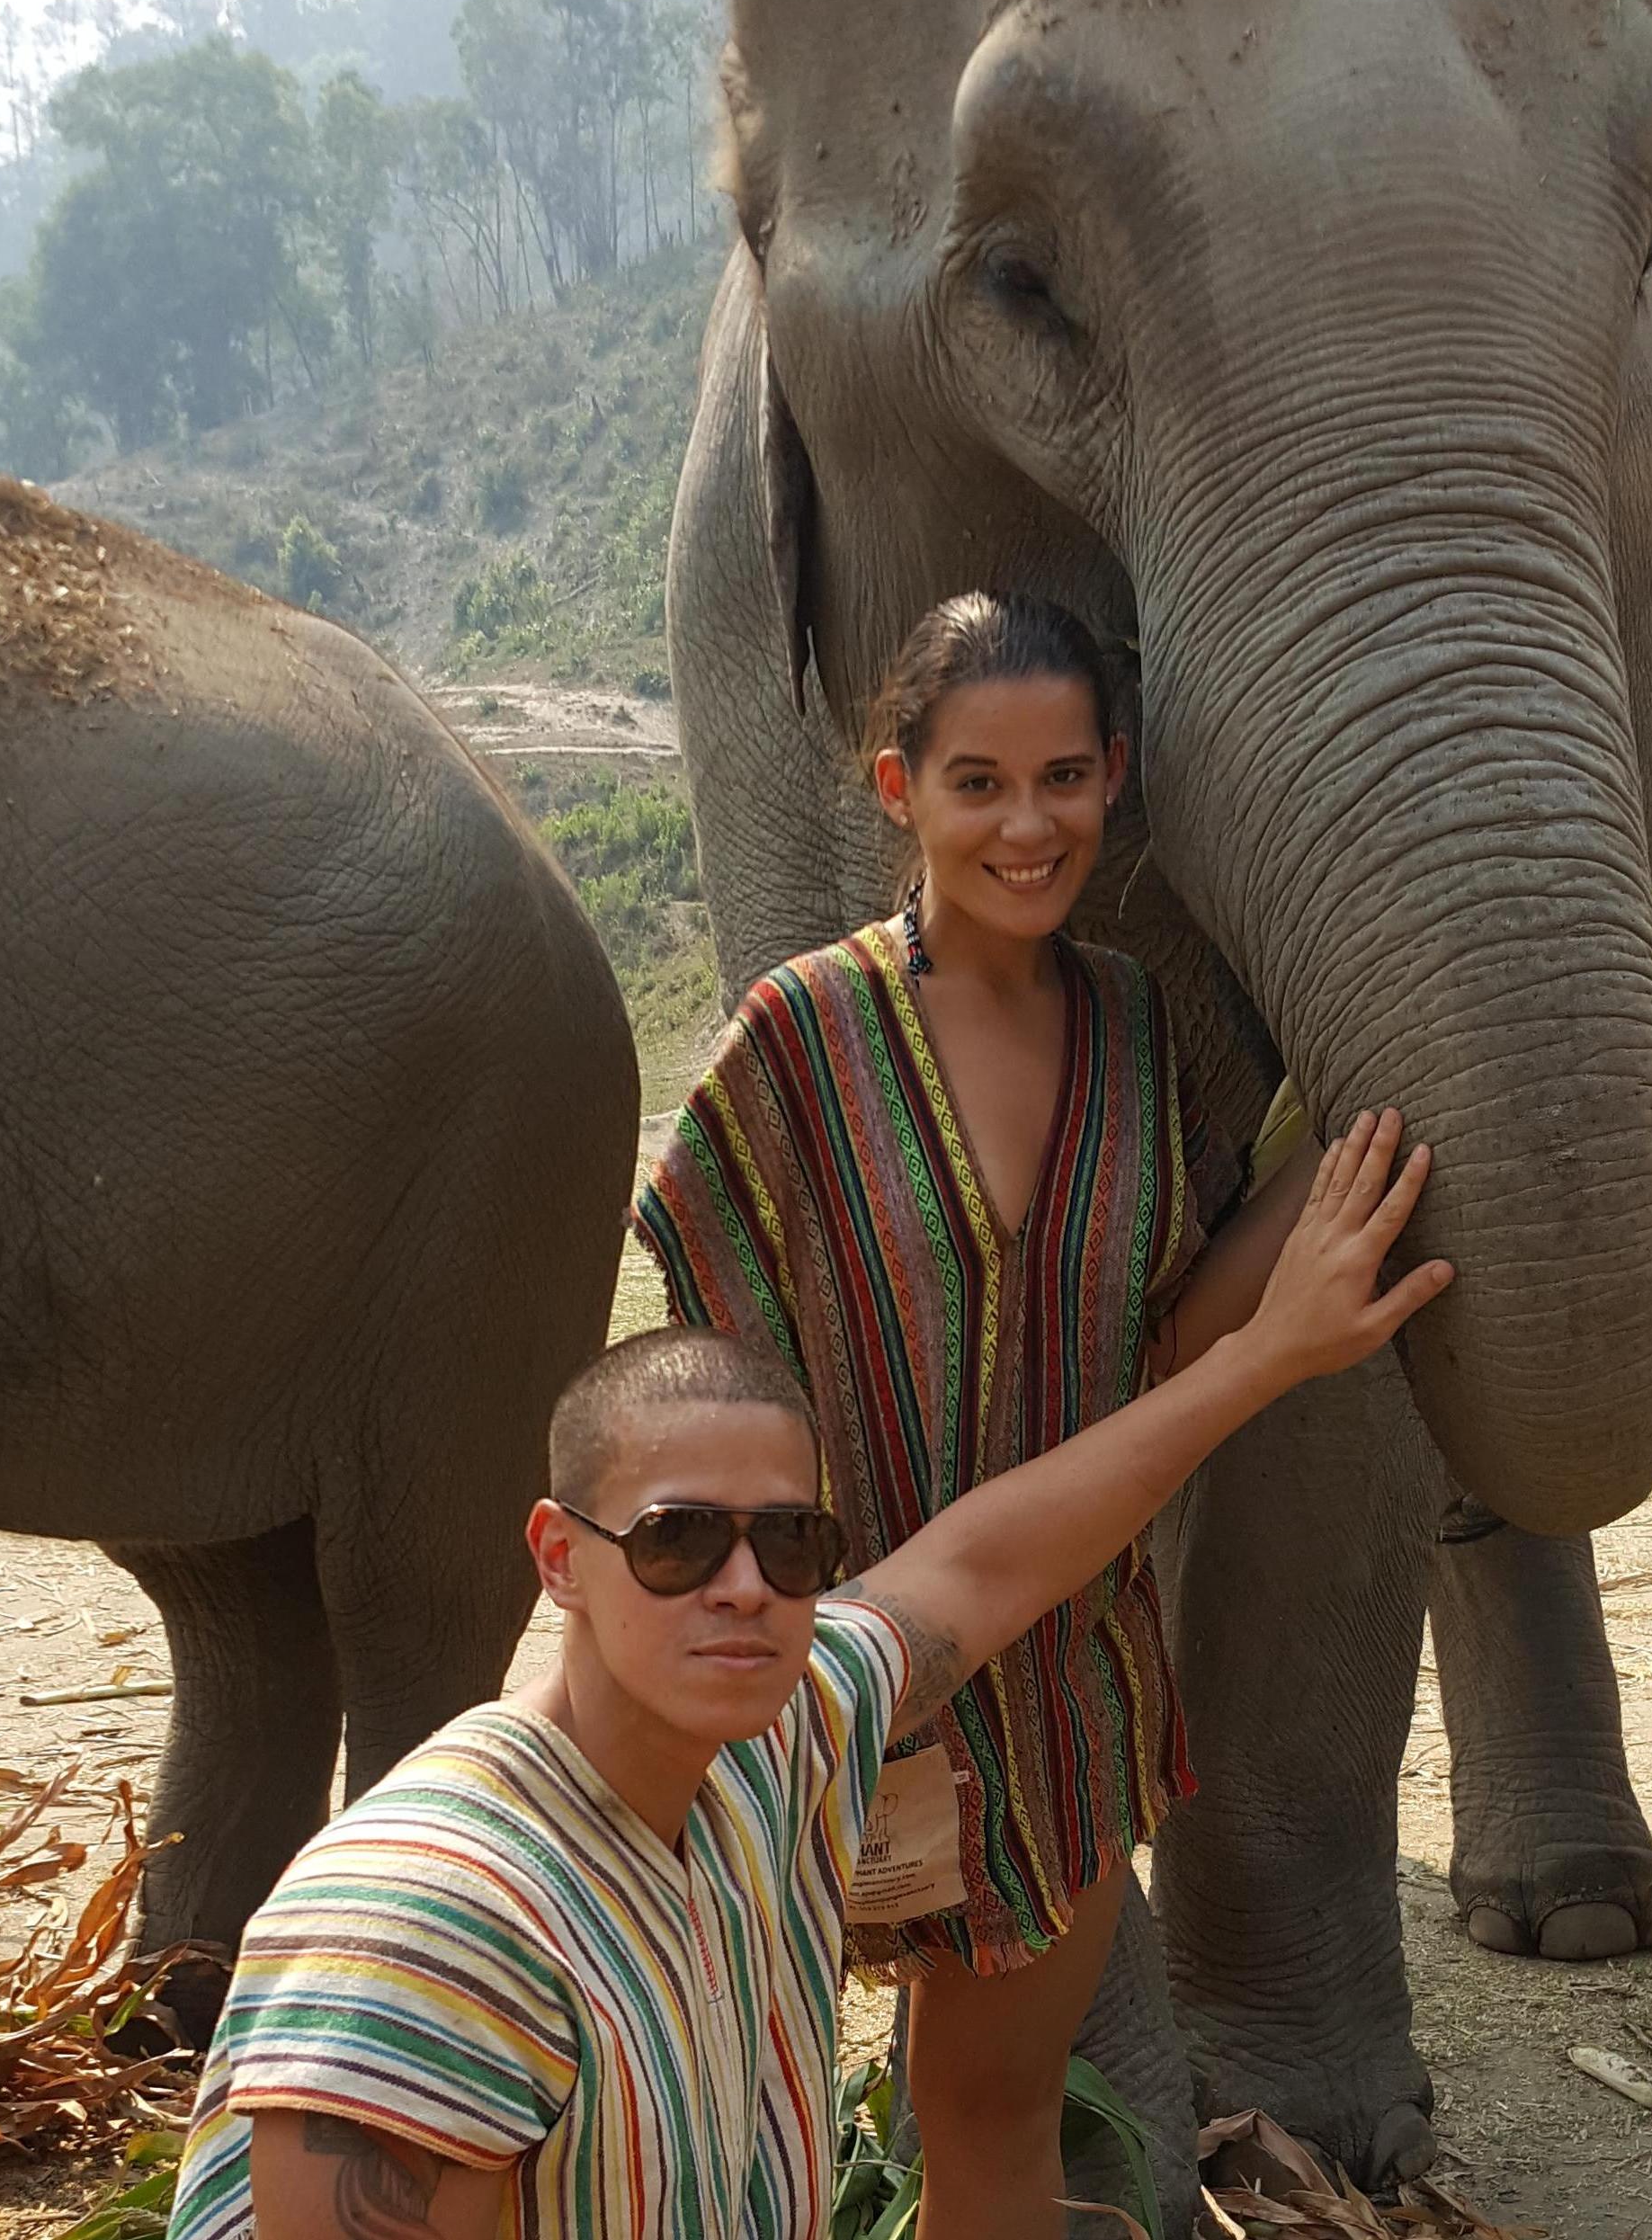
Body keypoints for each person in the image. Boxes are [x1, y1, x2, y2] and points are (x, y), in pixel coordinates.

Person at [170, 1114, 1449, 2240]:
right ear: (559, 1558)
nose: (742, 1585)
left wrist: (1265, 1353)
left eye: (790, 1540)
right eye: (675, 1538)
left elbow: (986, 1564)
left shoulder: (772, 1743)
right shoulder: (437, 1918)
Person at [633, 590, 1353, 2238]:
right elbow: (710, 1368)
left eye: (1061, 779)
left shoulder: (1129, 1025)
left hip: (1067, 1687)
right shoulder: (801, 1034)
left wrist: (1334, 1162)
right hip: (826, 1685)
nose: (1026, 825)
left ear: (1111, 777)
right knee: (732, 2127)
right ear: (899, 791)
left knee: (992, 2123)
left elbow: (1161, 1325)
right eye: (976, 782)